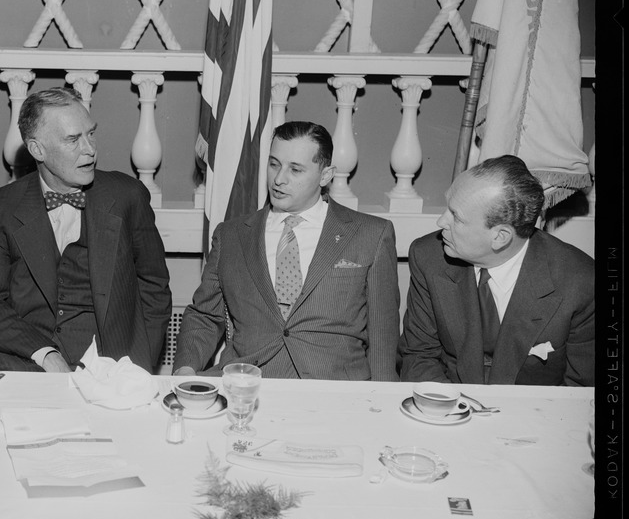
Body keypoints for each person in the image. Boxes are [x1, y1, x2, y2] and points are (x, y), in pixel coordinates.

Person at [0, 86, 172, 373]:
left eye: (91, 133)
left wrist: (138, 366)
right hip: (28, 364)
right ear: (37, 149)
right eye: (73, 139)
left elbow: (154, 287)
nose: (90, 150)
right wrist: (44, 354)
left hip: (114, 369)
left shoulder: (127, 197)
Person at [173, 120, 400, 380]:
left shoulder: (371, 234)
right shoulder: (231, 236)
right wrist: (185, 370)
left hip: (333, 394)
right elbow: (204, 316)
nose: (279, 179)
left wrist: (379, 404)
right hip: (246, 385)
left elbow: (382, 338)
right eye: (274, 164)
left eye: (296, 169)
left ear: (325, 175)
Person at [399, 154, 595, 386]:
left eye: (456, 217)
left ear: (500, 237)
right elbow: (418, 356)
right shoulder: (429, 256)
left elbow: (580, 389)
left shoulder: (580, 281)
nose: (441, 222)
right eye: (447, 208)